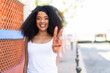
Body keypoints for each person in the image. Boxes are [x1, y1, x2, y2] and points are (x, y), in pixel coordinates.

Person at [20, 5, 64, 73]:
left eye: (46, 18)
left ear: (50, 20)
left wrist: (57, 48)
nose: (42, 21)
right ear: (35, 20)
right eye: (39, 18)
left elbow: (57, 49)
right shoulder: (29, 38)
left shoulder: (54, 39)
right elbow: (26, 63)